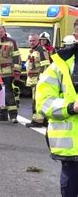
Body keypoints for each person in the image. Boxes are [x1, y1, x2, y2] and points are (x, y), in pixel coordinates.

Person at [35, 20, 78, 196]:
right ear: (76, 35)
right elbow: (43, 101)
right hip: (72, 148)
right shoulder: (60, 65)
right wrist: (71, 107)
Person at [0, 25, 21, 123]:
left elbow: (16, 57)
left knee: (8, 94)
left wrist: (17, 72)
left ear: (5, 32)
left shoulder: (11, 42)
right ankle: (2, 114)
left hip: (8, 73)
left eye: (1, 31)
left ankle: (13, 115)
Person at [24, 34, 50, 128]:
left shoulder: (41, 51)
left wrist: (42, 79)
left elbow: (46, 66)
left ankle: (37, 121)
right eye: (30, 40)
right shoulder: (33, 51)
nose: (31, 42)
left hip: (39, 80)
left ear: (38, 41)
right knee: (37, 100)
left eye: (34, 40)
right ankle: (43, 121)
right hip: (33, 80)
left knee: (37, 101)